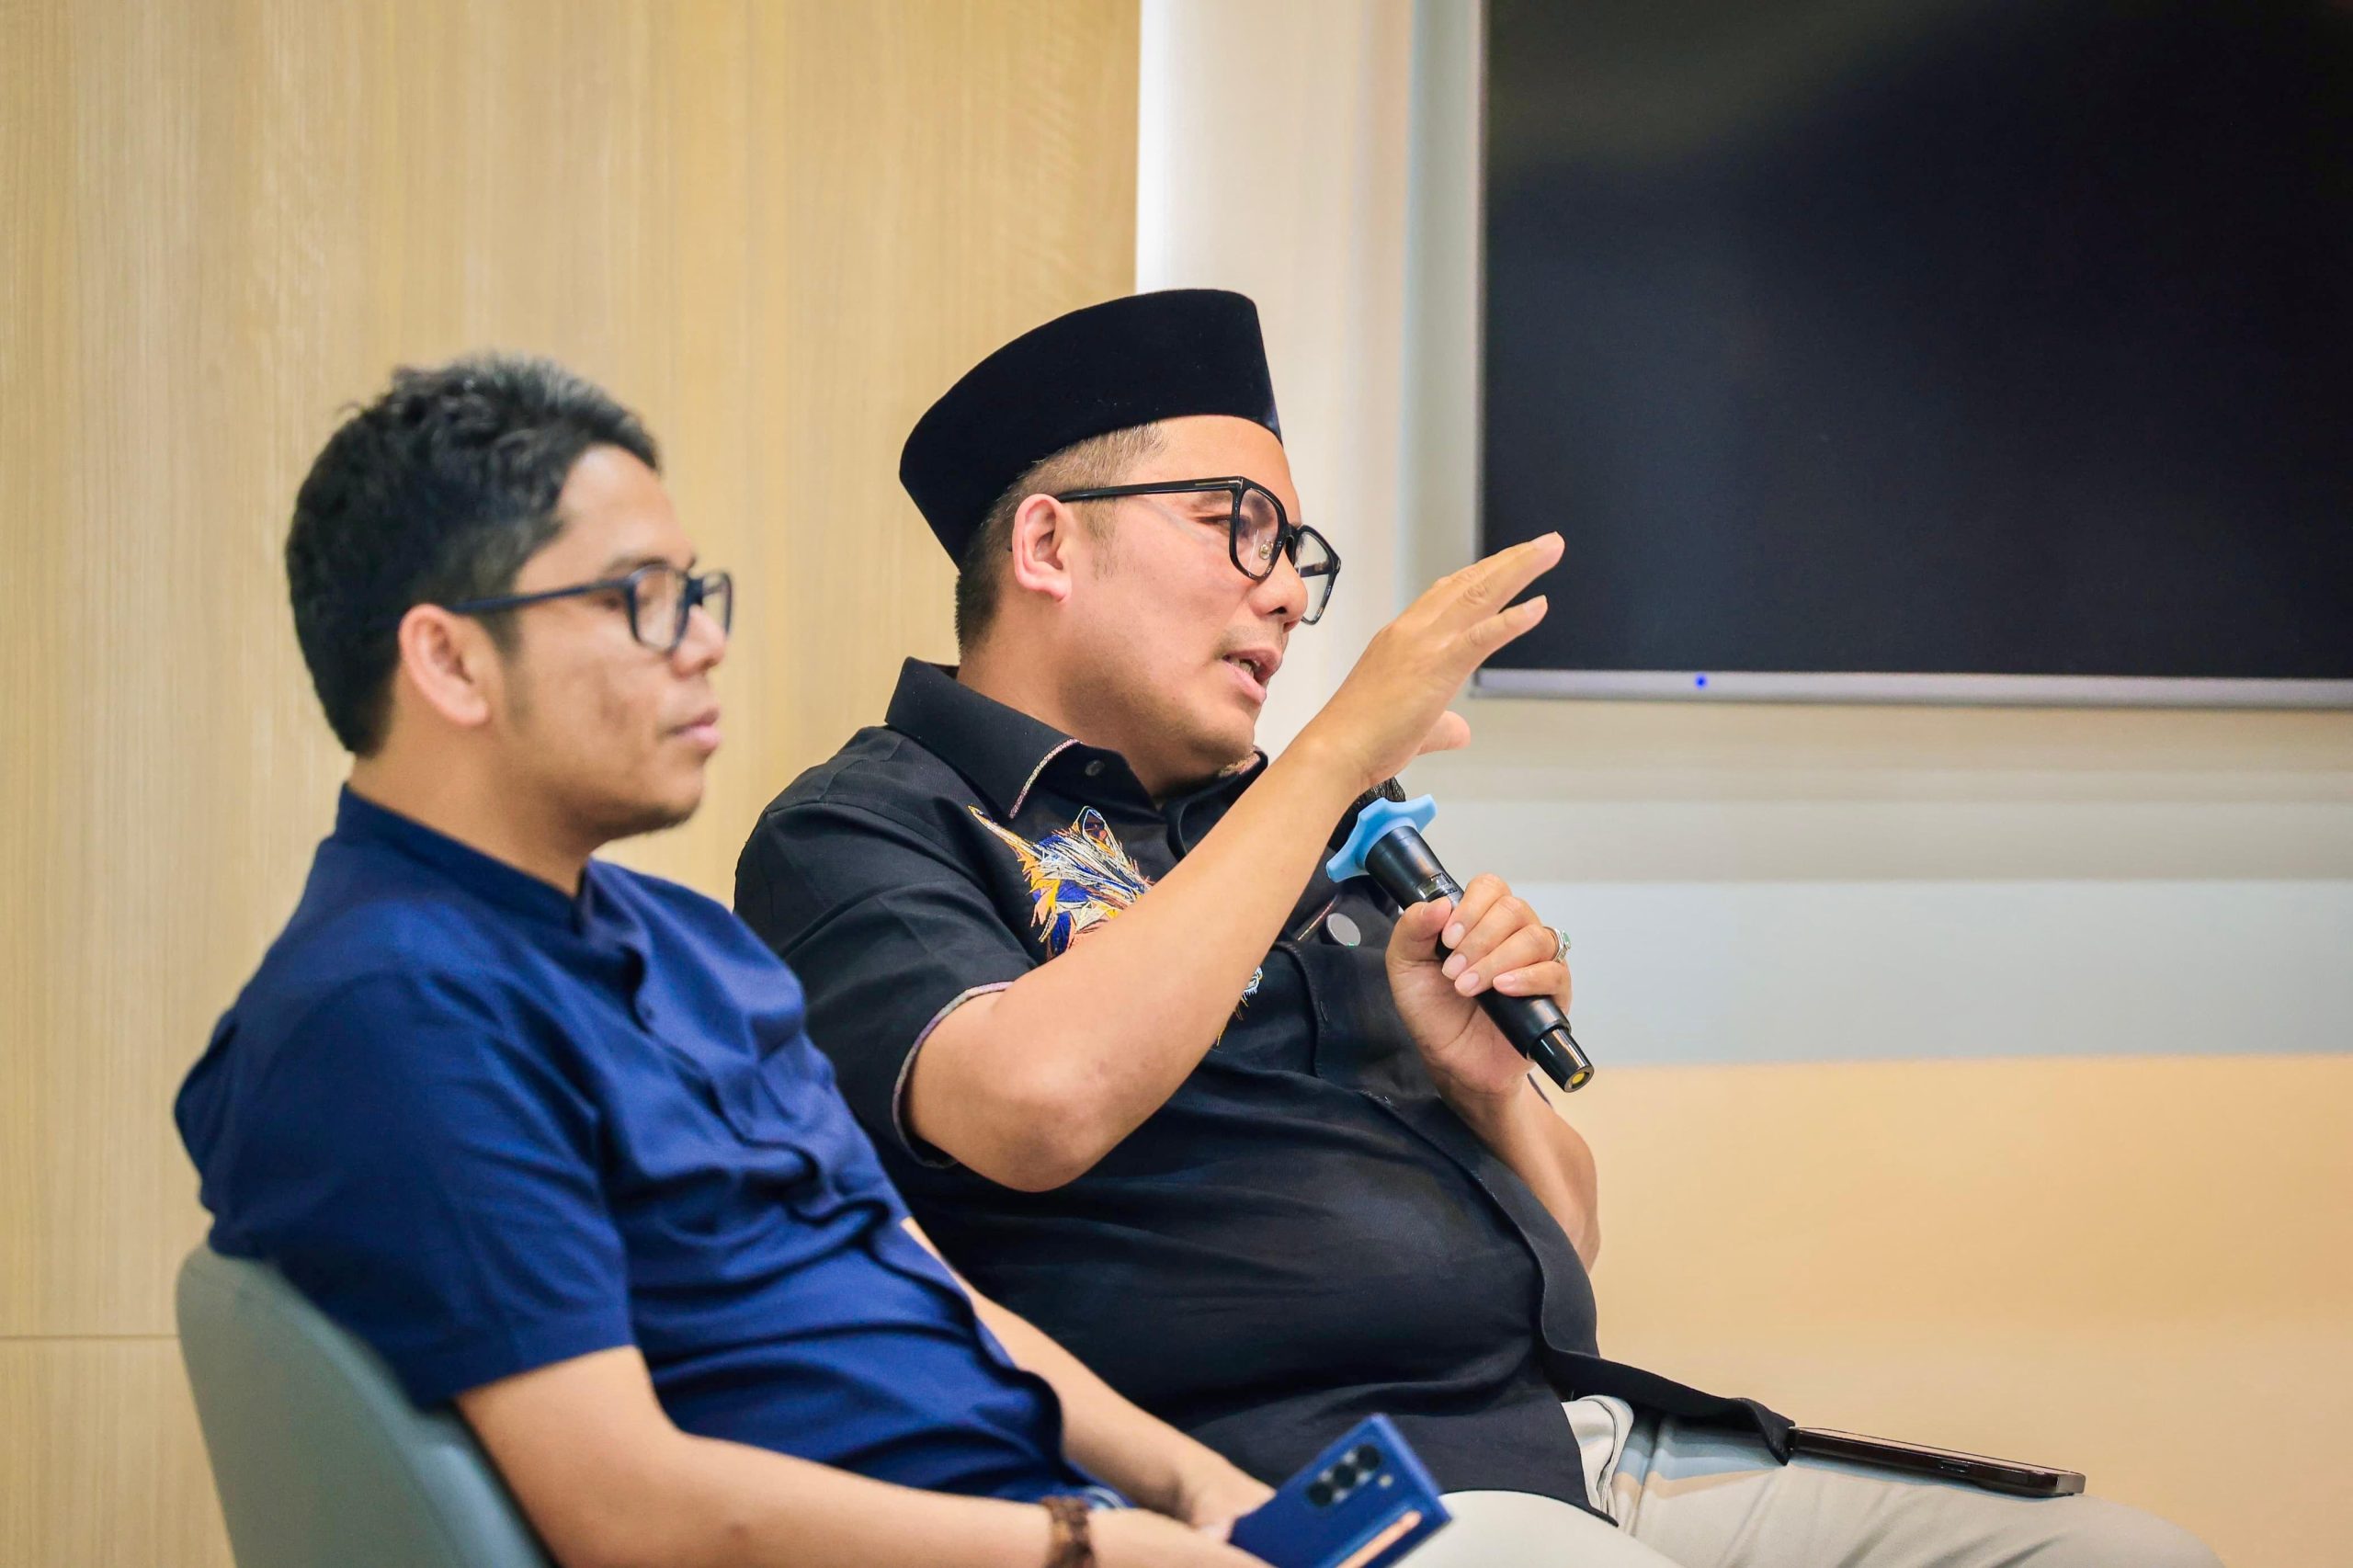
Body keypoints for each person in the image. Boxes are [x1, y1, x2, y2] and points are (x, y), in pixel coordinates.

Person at [734, 290, 2220, 1567]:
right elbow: (1033, 1104)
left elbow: (1570, 1249)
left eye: (1296, 551)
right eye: (1238, 526)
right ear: (1052, 545)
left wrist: (1485, 1085)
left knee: (2125, 1555)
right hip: (1287, 1491)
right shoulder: (867, 827)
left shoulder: (1286, 822)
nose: (1285, 593)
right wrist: (1328, 755)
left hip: (1589, 1445)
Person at [176, 354, 1300, 1568]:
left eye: (697, 592)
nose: (705, 643)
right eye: (641, 599)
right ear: (450, 662)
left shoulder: (688, 943)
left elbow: (923, 1287)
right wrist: (1087, 1547)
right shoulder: (396, 1012)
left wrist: (1195, 1485)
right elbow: (626, 1510)